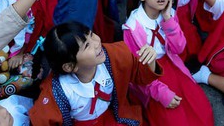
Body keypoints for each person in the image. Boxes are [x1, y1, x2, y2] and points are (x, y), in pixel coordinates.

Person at [123, 0, 214, 125]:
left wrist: (168, 20)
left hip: (173, 64)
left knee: (201, 111)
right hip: (151, 75)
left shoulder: (169, 13)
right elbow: (137, 71)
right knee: (173, 119)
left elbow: (179, 49)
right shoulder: (132, 28)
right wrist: (161, 93)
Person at [29, 21, 161, 125]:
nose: (97, 43)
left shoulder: (115, 54)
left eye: (91, 34)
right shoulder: (57, 92)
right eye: (87, 46)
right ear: (69, 66)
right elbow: (42, 120)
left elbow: (142, 76)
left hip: (112, 117)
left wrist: (150, 60)